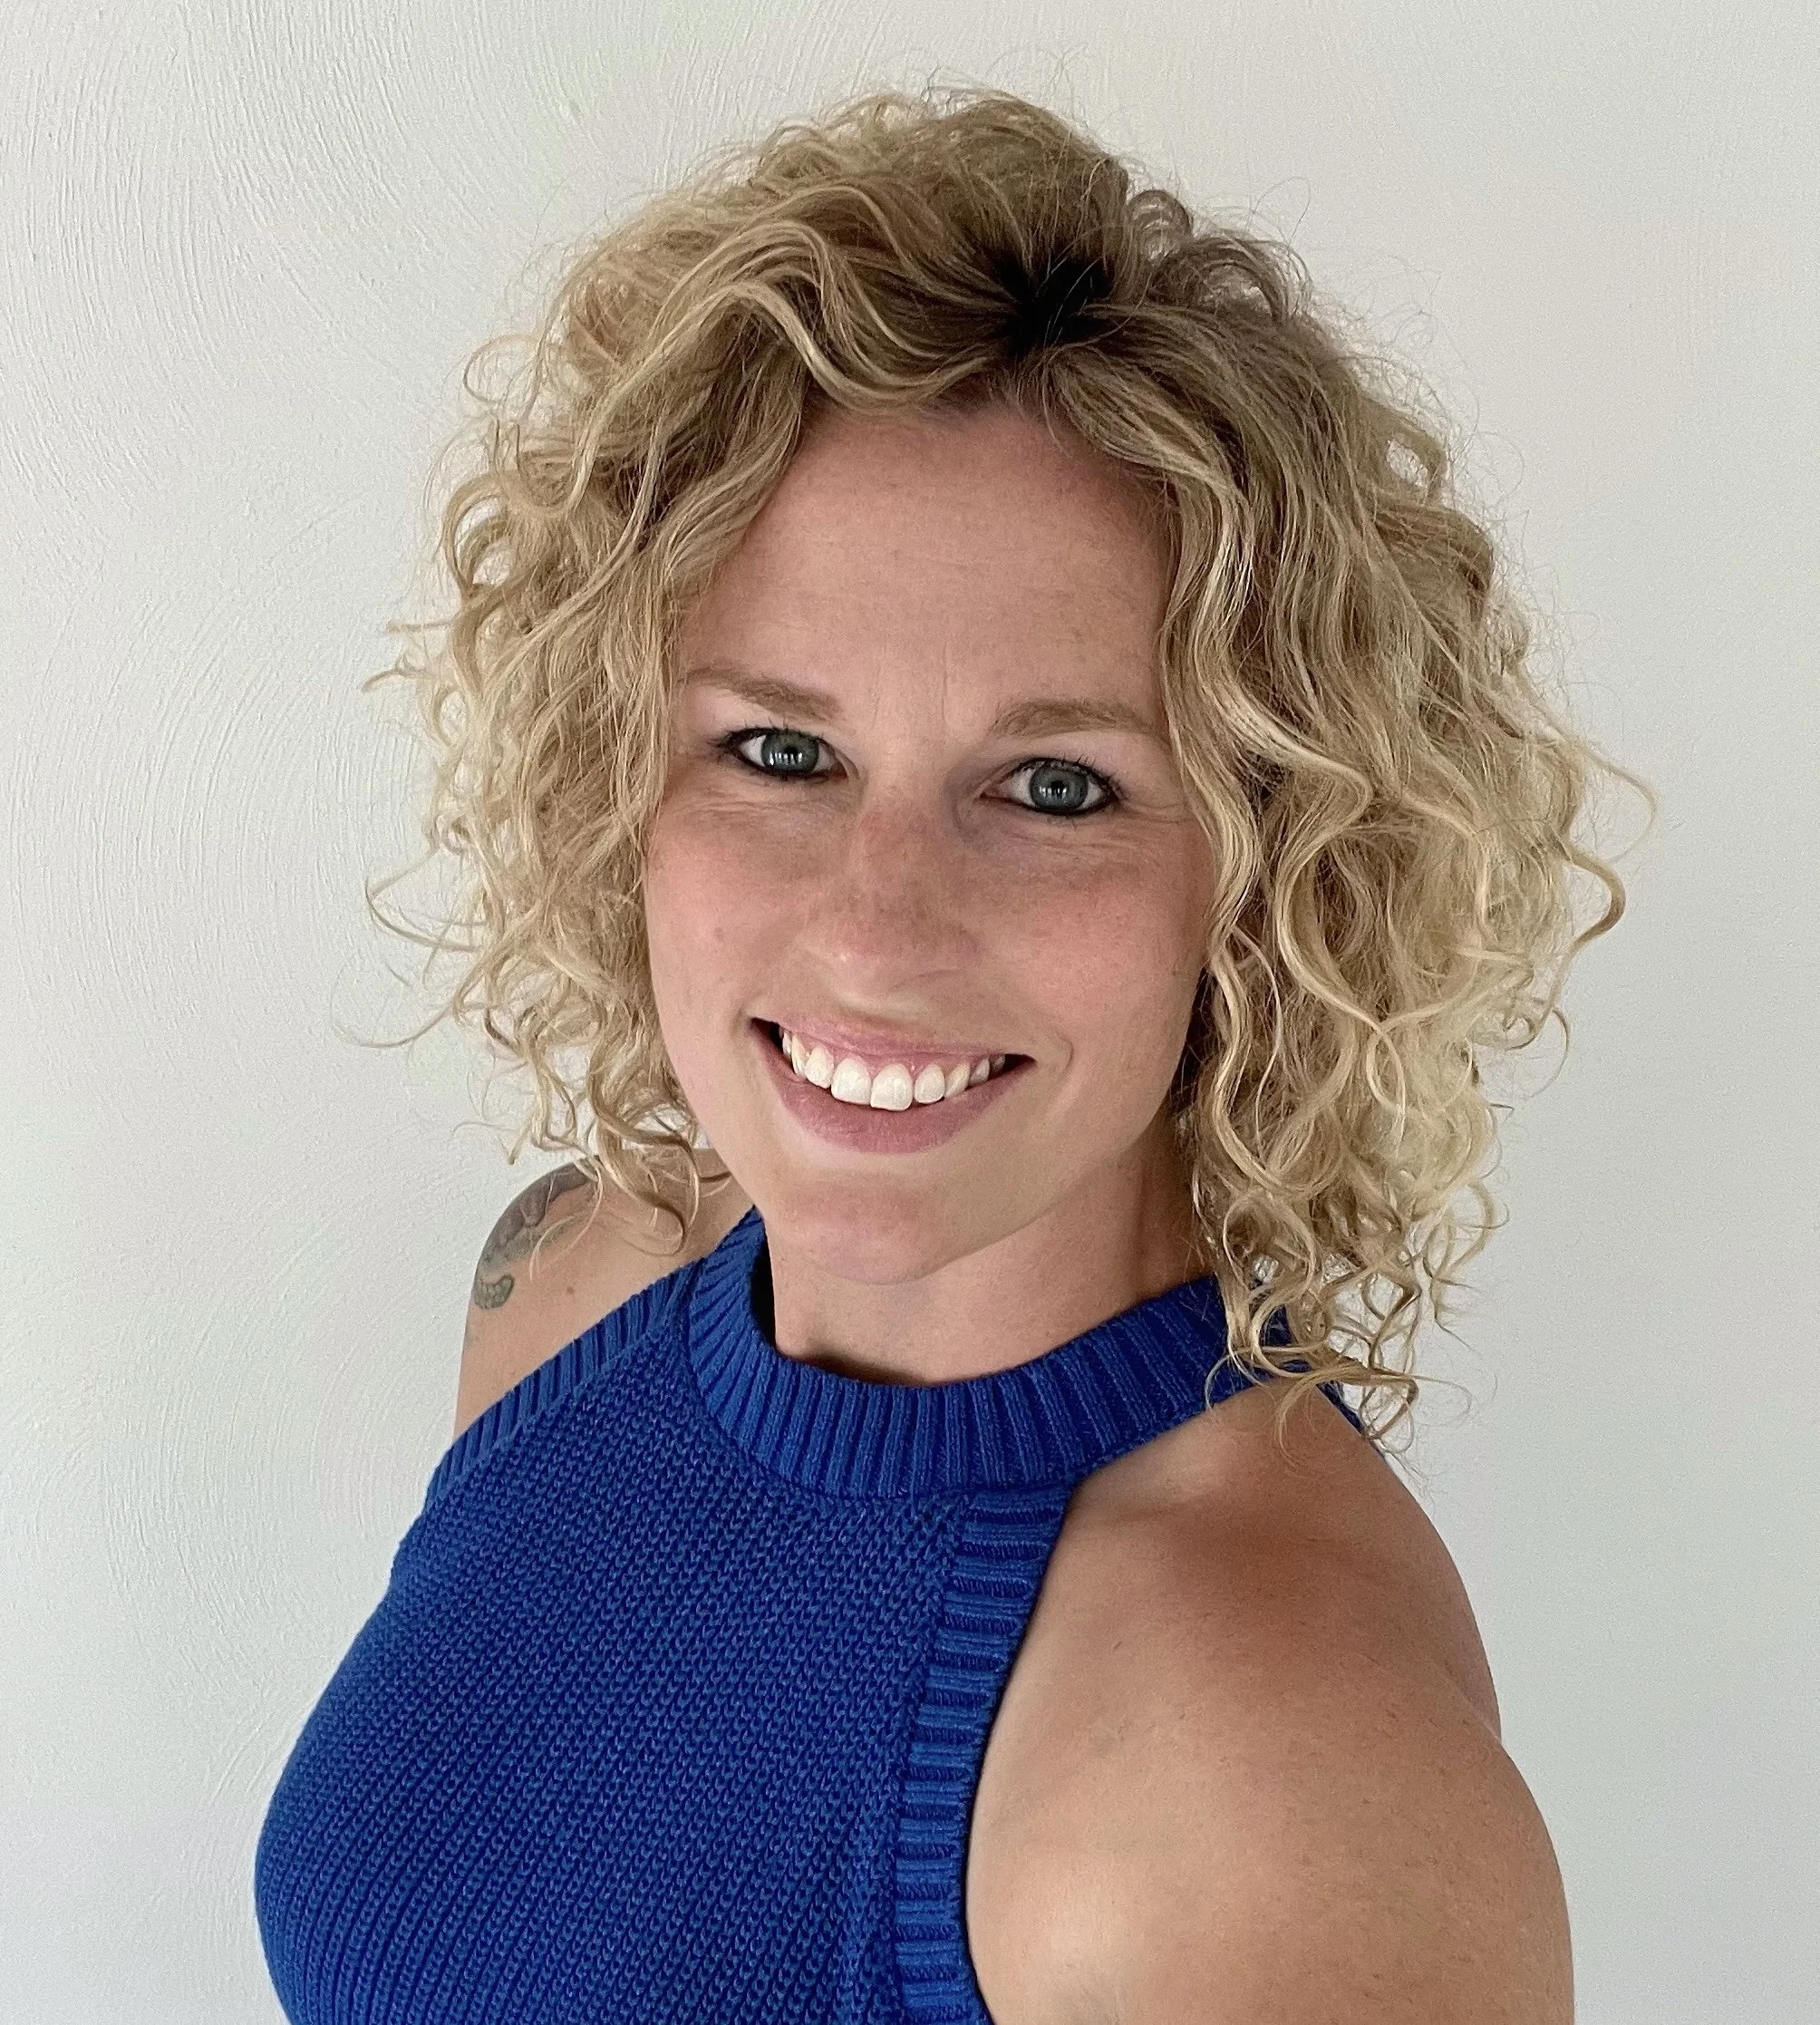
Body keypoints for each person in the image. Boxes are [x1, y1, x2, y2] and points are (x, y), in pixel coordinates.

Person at [257, 82, 1631, 2023]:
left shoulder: (1272, 1770)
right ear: (617, 783)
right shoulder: (572, 1281)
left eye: (1055, 785)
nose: (876, 927)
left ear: (1269, 878)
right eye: (780, 749)